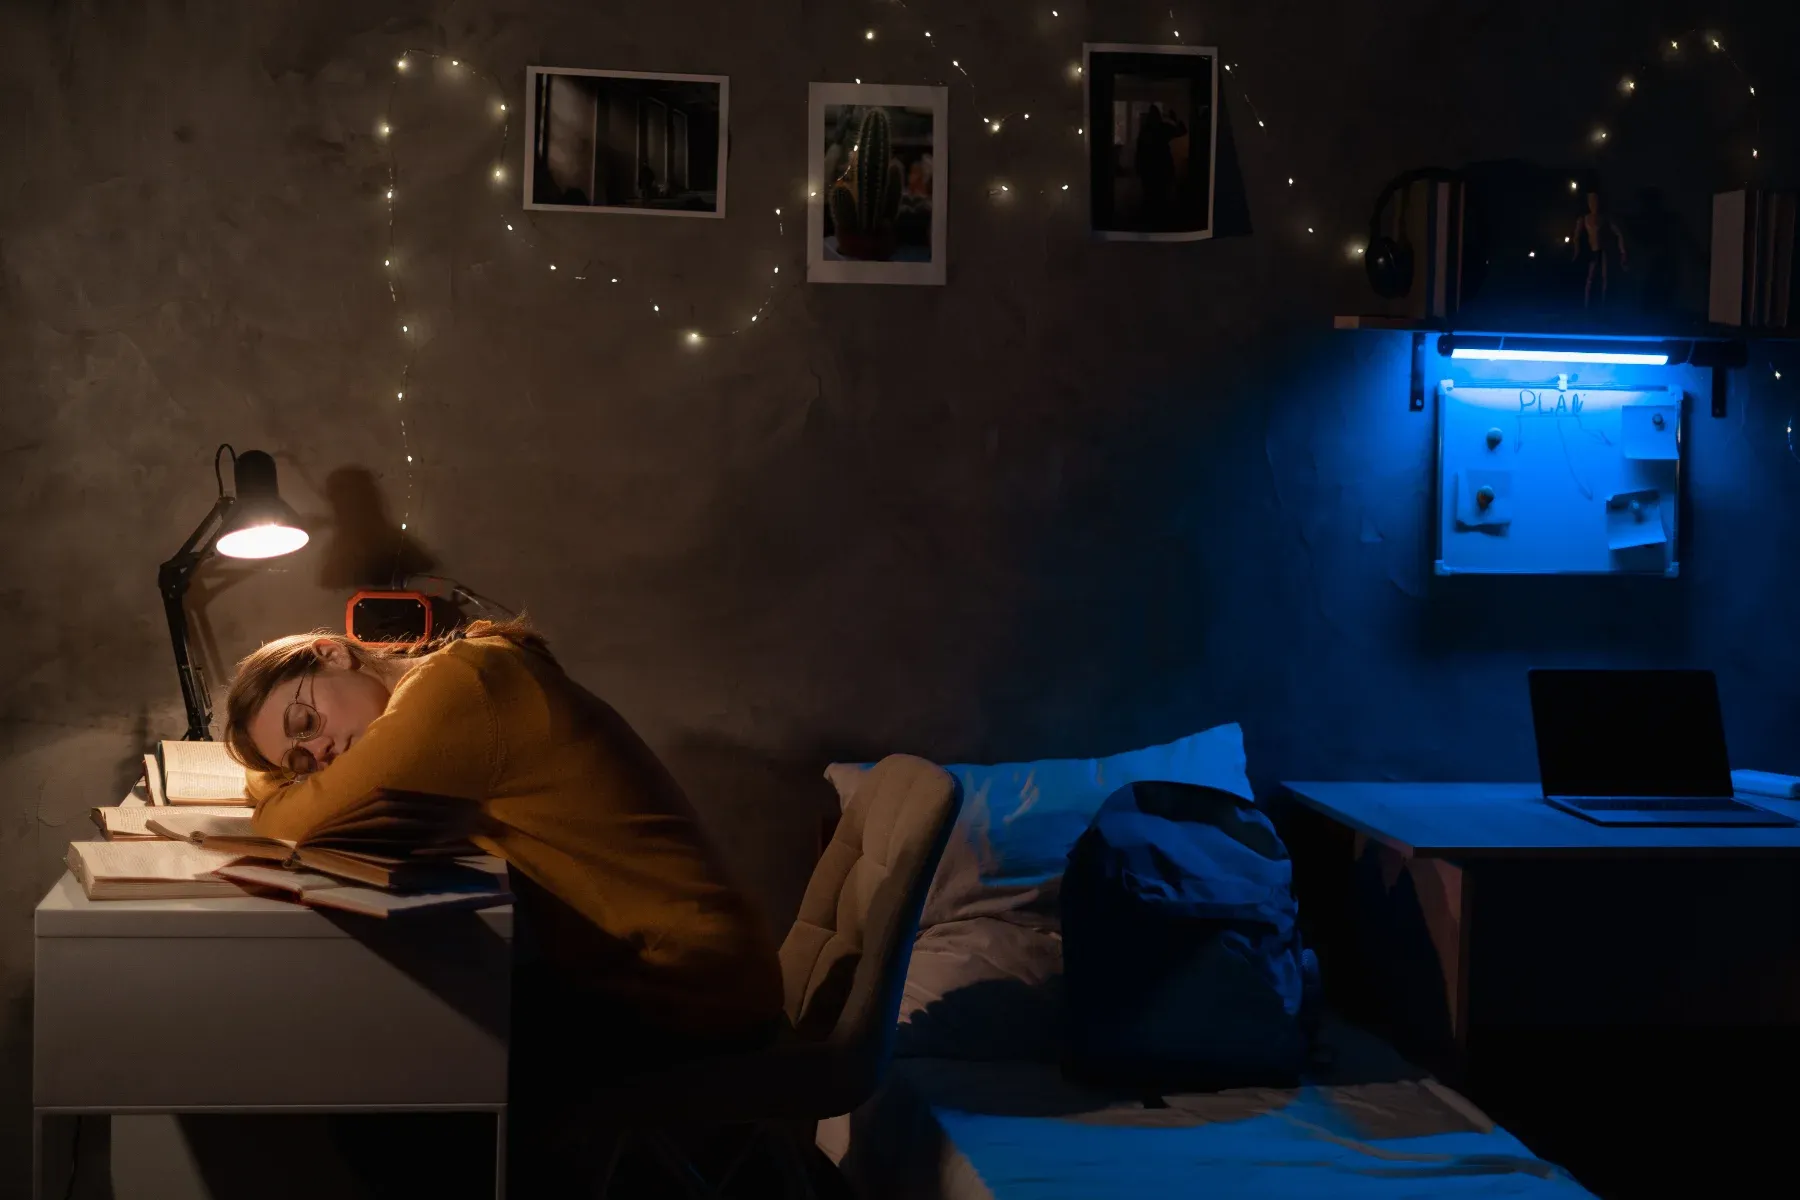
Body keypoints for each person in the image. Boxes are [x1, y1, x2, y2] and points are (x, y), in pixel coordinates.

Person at [222, 618, 785, 1191]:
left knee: (388, 1094)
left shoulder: (461, 686)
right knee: (402, 1050)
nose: (320, 752)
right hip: (662, 972)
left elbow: (293, 822)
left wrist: (273, 781)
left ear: (332, 653)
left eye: (305, 723)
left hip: (686, 988)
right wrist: (288, 772)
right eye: (301, 761)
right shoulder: (464, 676)